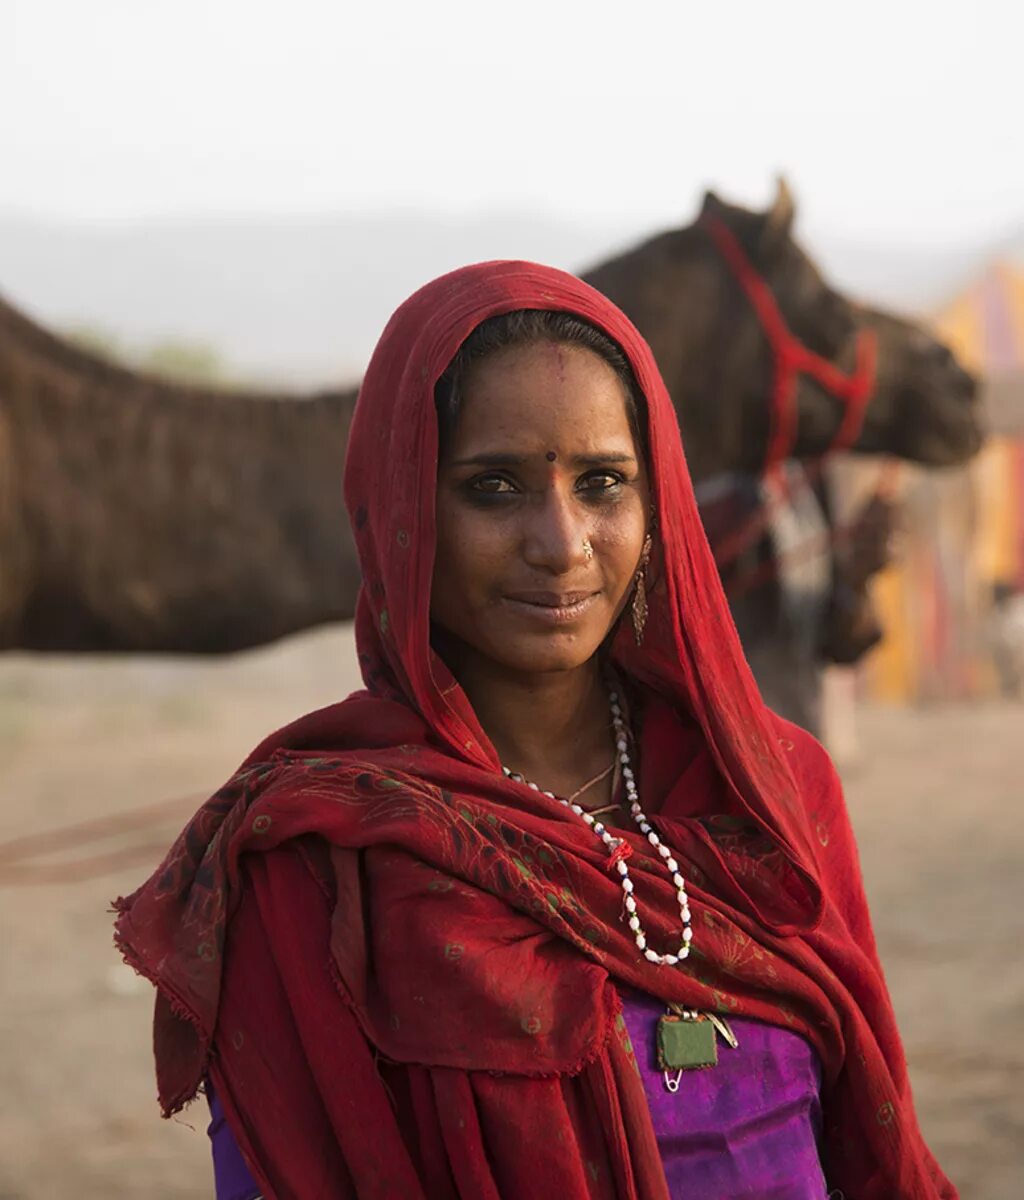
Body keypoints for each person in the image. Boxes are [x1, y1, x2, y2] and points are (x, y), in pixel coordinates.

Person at [114, 261, 955, 1199]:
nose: (562, 545)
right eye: (495, 488)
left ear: (656, 501)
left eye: (603, 482)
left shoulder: (774, 786)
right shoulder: (317, 859)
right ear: (403, 508)